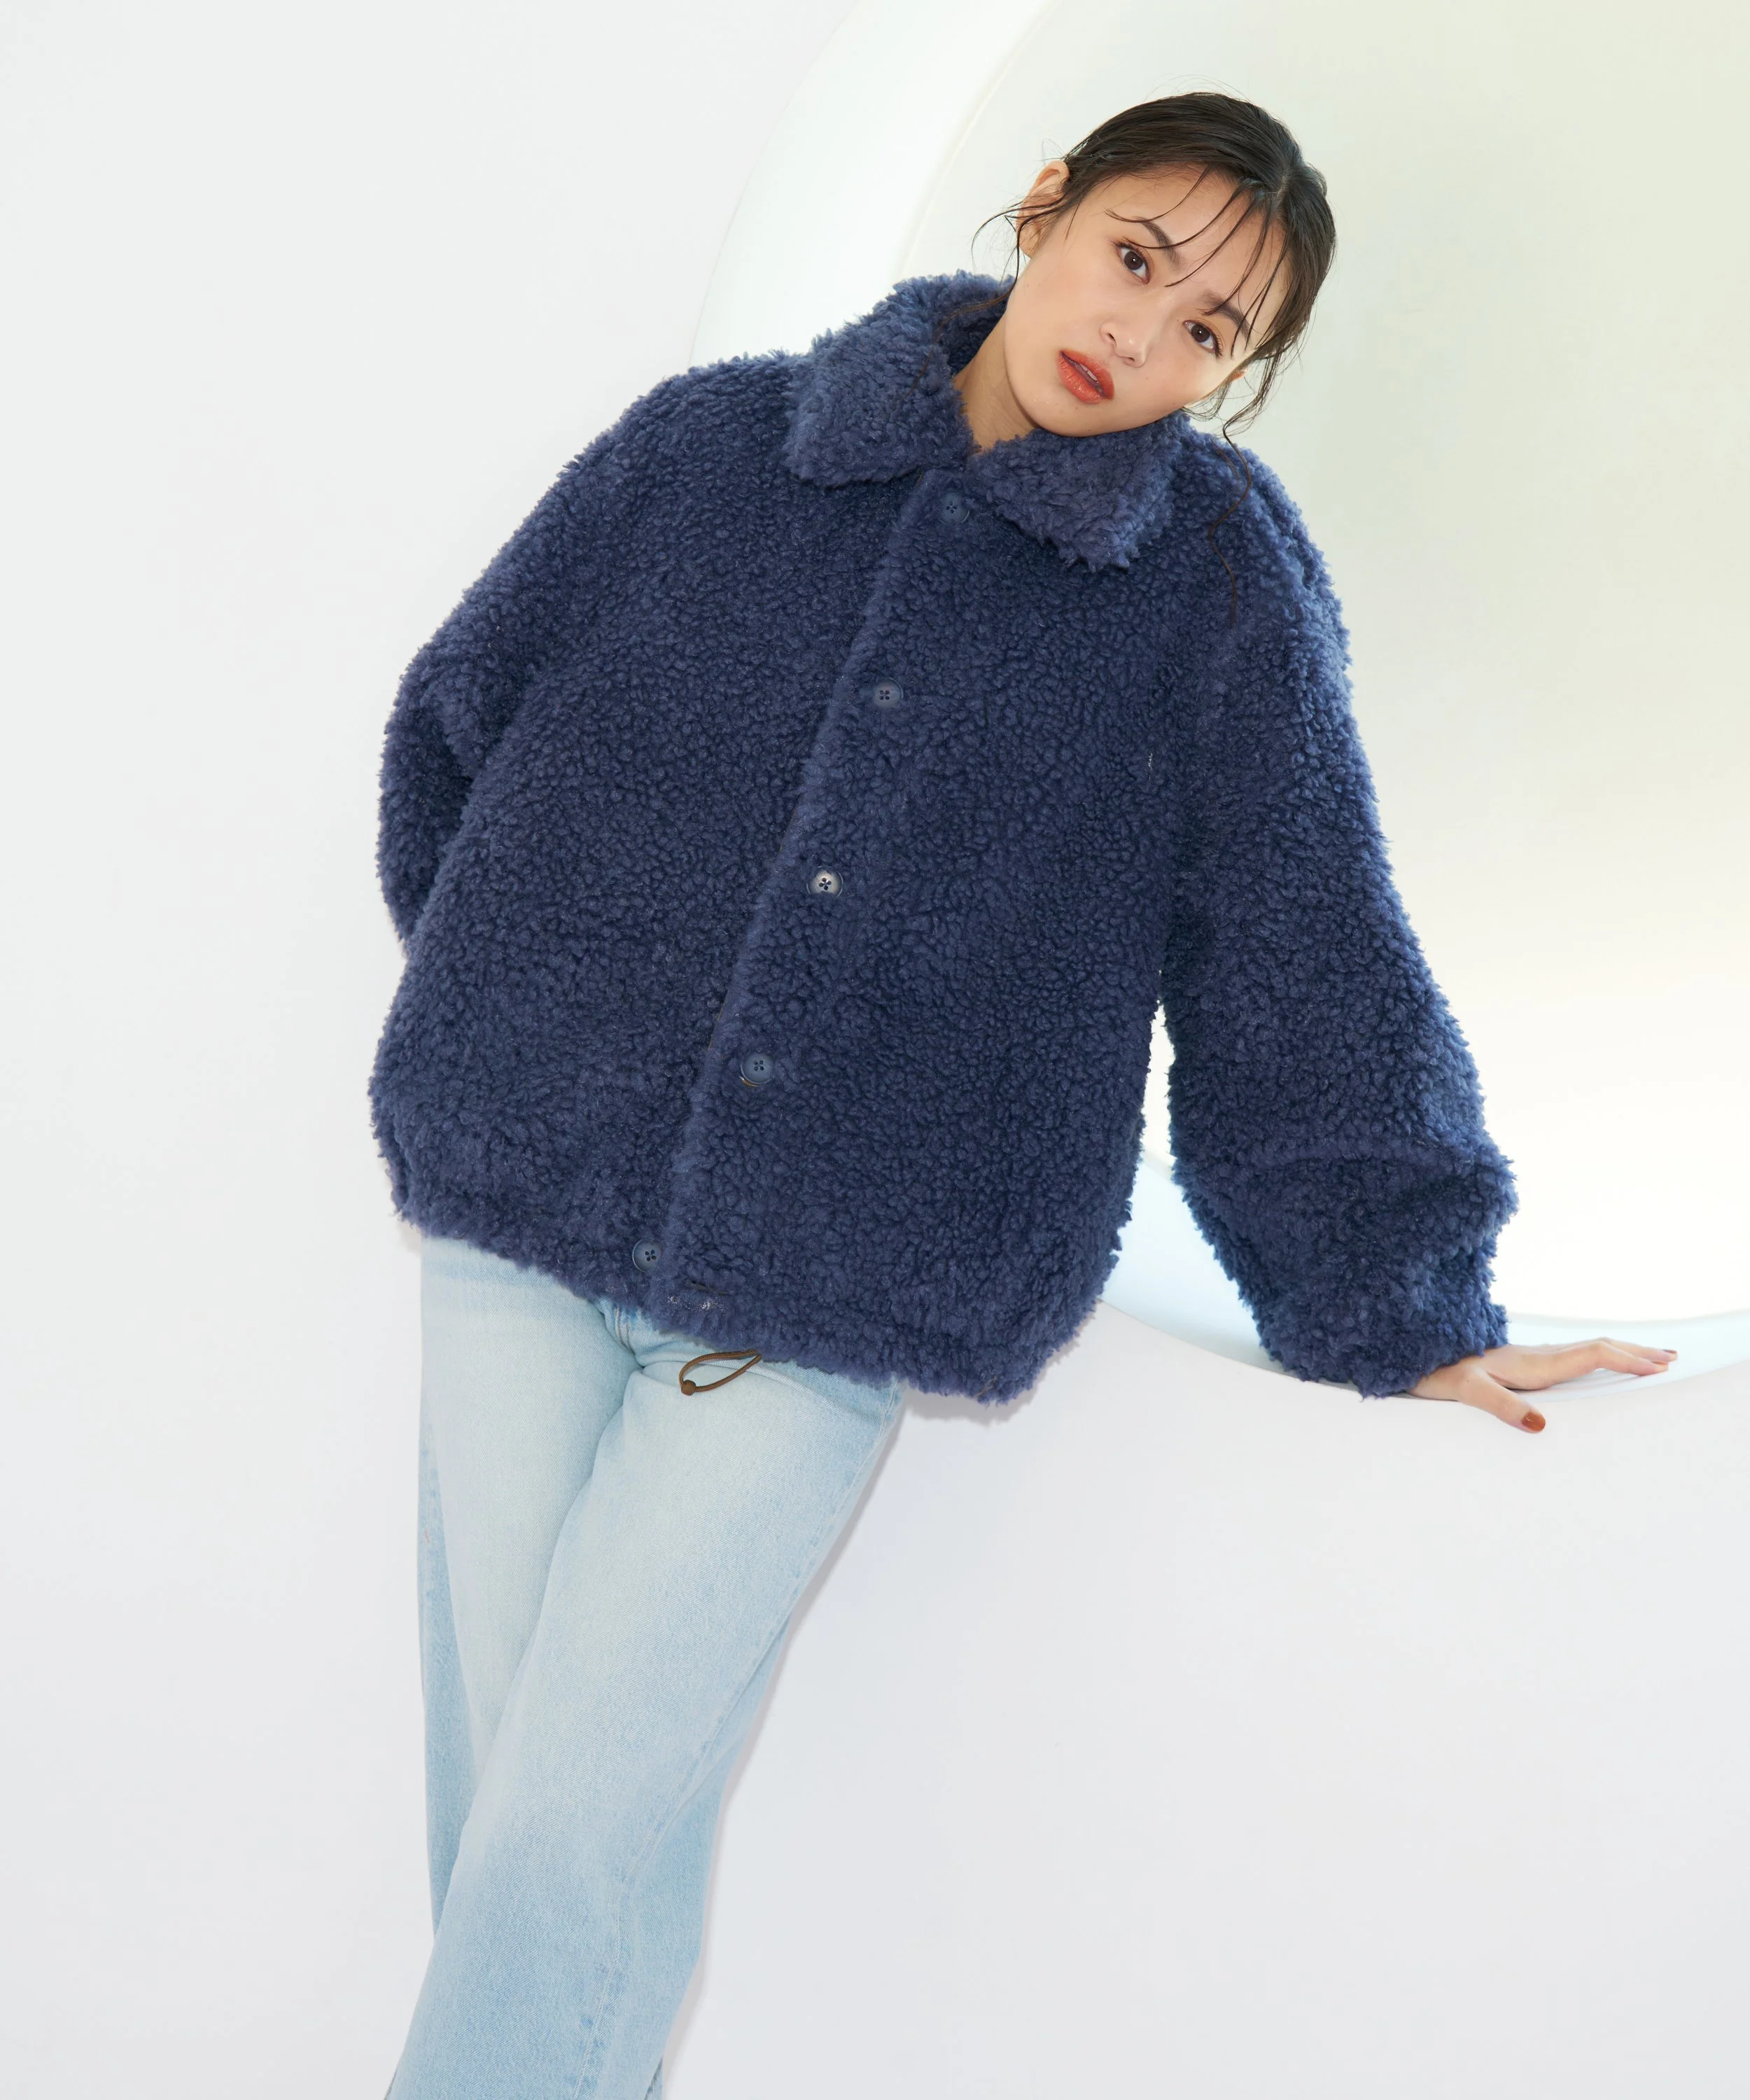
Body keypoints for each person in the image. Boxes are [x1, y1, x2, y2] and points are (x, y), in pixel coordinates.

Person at [370, 90, 1674, 2100]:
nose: (1140, 336)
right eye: (1133, 258)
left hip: (827, 1295)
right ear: (1047, 204)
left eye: (1208, 330)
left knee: (564, 1844)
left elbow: (1297, 931)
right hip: (521, 1220)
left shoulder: (1212, 584)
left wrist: (1398, 1297)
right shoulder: (715, 448)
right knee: (517, 1830)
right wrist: (532, 1012)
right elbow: (460, 722)